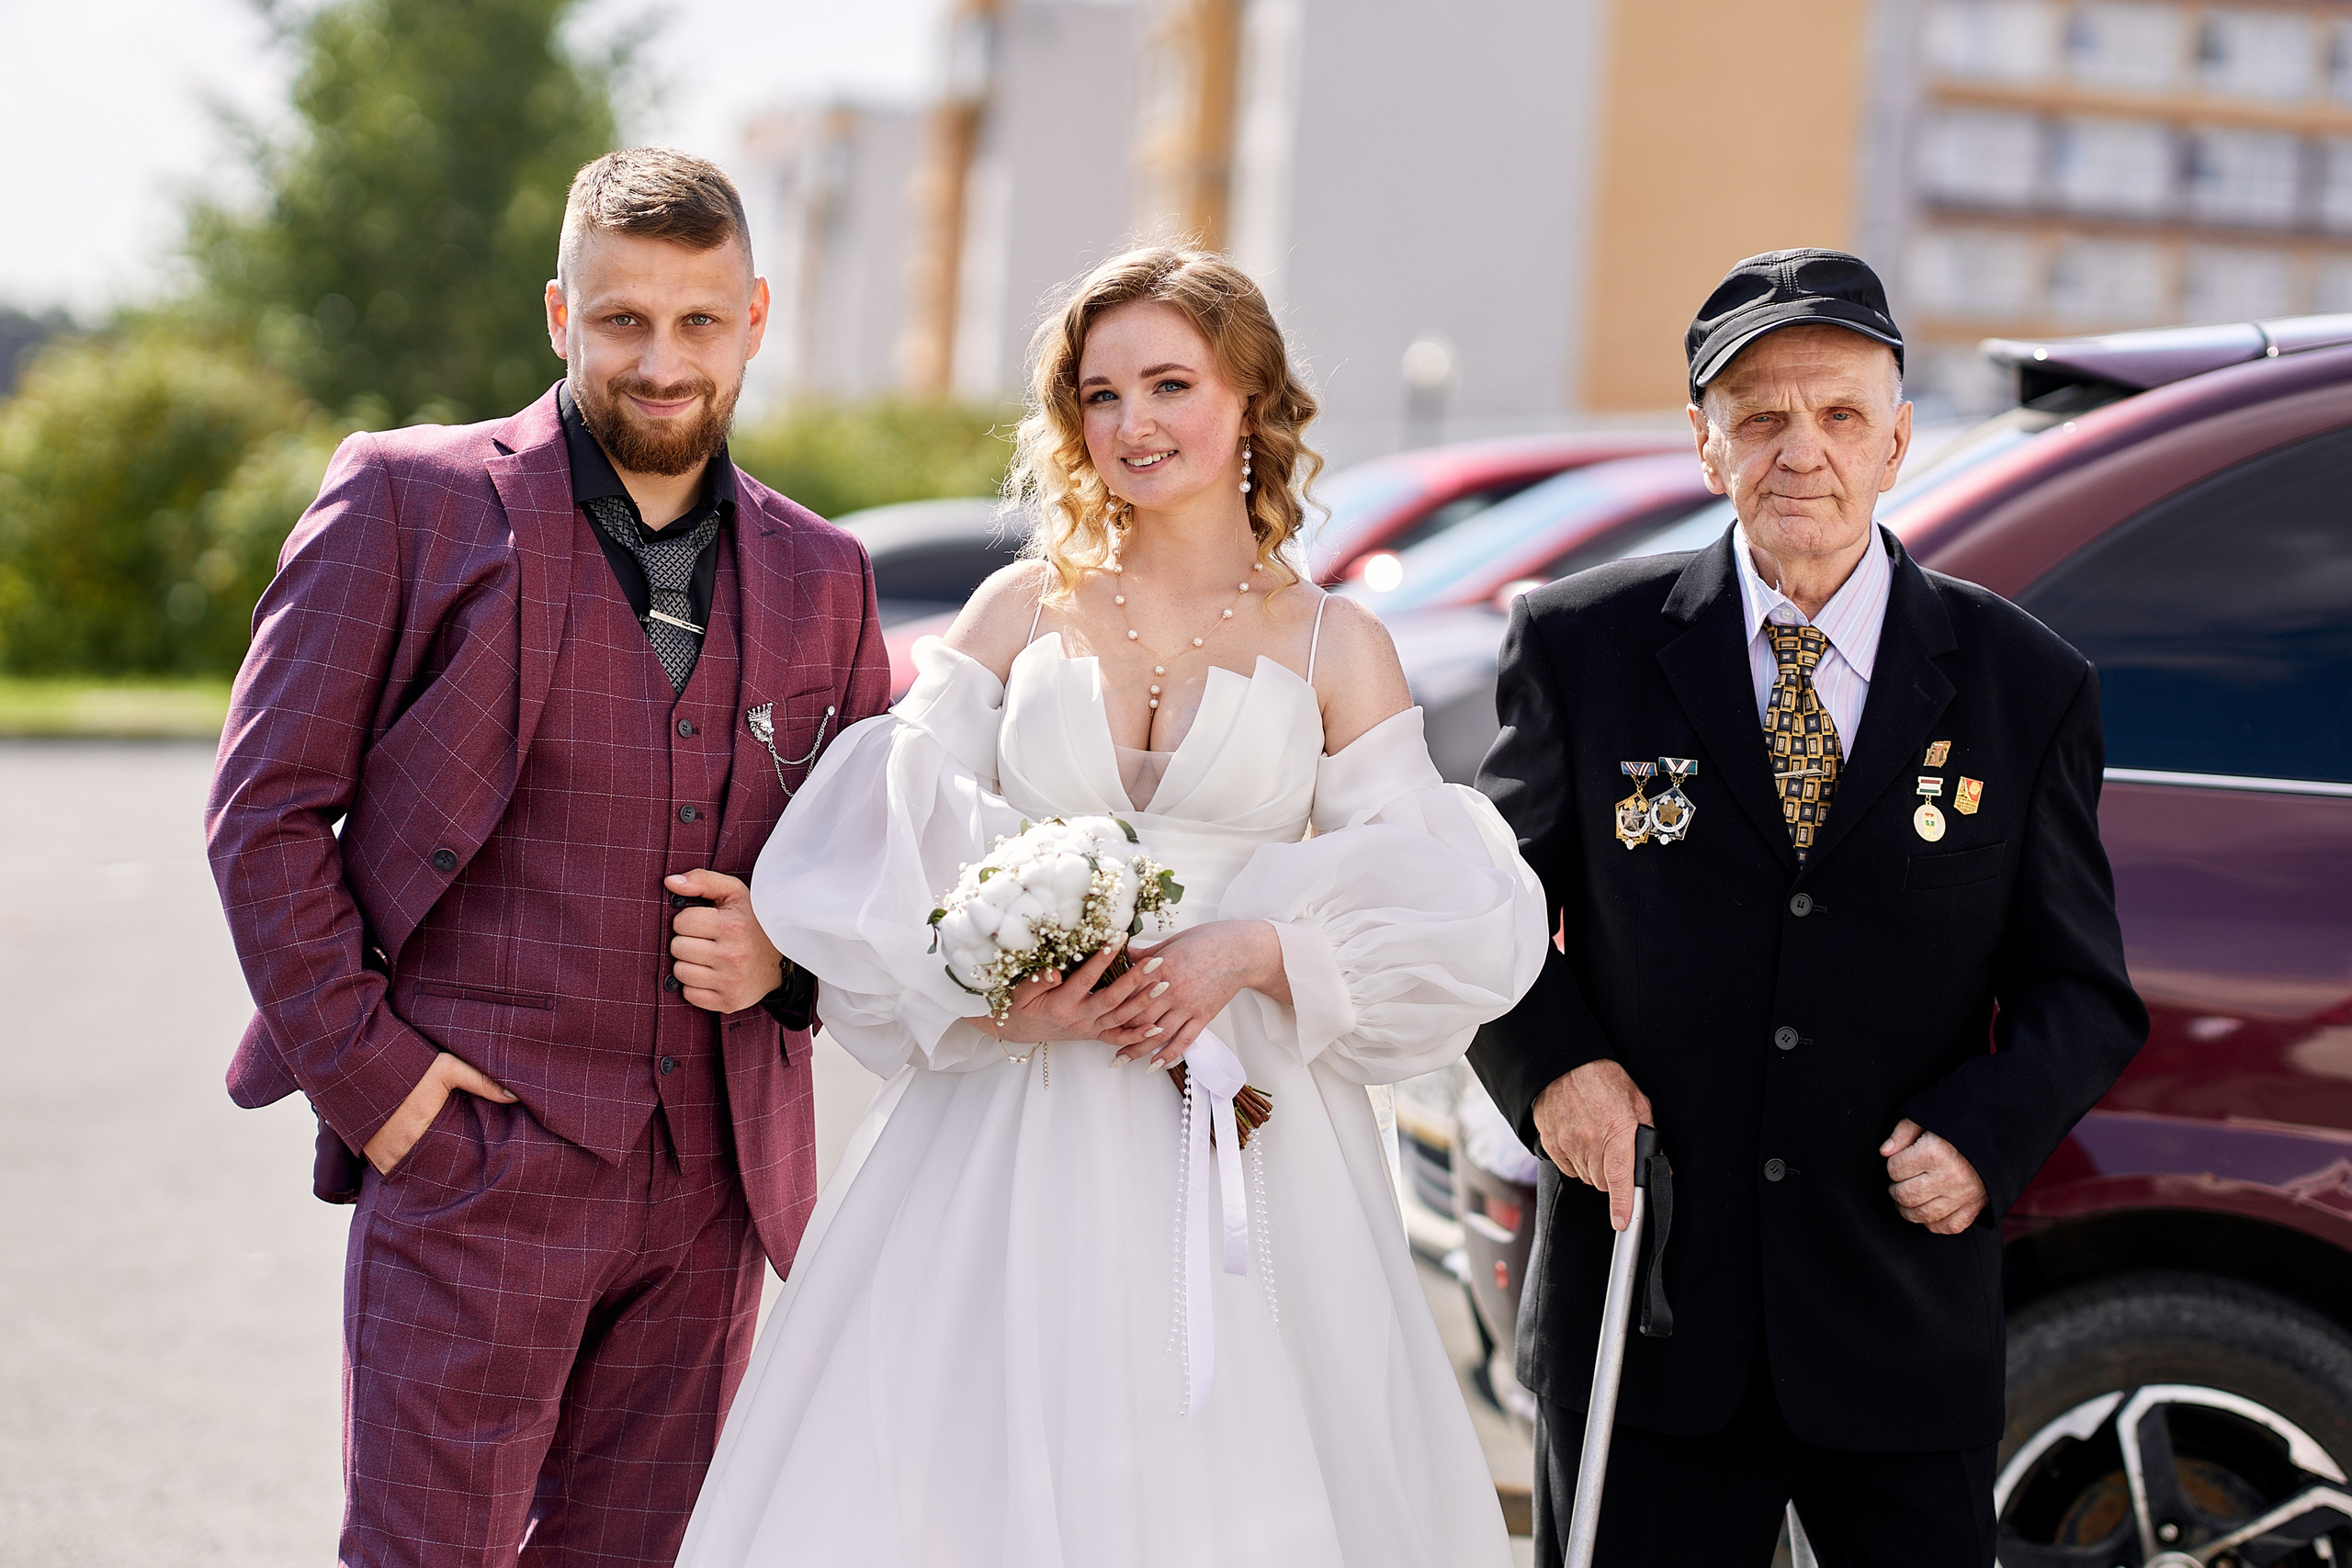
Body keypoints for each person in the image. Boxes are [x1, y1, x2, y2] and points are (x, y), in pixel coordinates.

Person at [675, 246, 1550, 1567]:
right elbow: (882, 821)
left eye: (1168, 384)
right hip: (1011, 1107)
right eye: (1099, 395)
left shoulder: (1334, 643)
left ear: (1250, 398)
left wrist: (1259, 948)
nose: (1132, 423)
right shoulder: (1021, 608)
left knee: (1230, 1465)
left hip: (1245, 1119)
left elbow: (1440, 891)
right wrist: (981, 981)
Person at [204, 148, 889, 1566]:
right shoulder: (408, 499)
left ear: (755, 318)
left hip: (714, 1189)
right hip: (472, 1158)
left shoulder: (825, 569)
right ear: (557, 314)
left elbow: (867, 847)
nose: (661, 357)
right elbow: (263, 811)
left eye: (698, 320)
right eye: (621, 316)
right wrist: (380, 1090)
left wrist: (786, 954)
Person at [1470, 250, 2148, 1566]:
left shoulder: (2024, 683)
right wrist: (1555, 1069)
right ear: (1702, 440)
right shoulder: (1578, 647)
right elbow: (1483, 917)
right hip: (1648, 1298)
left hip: (1894, 1307)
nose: (1803, 451)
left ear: (1898, 440)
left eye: (1841, 415)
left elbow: (2083, 991)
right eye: (1763, 415)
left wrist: (1982, 1136)